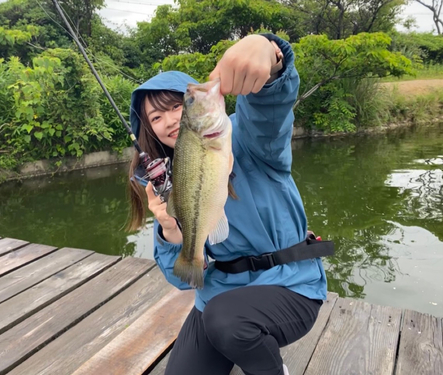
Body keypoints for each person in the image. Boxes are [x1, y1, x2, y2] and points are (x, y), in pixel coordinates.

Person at [127, 33, 331, 375]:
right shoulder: (166, 179)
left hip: (290, 284)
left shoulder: (245, 137)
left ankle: (269, 365)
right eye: (156, 118)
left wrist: (267, 50)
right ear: (148, 129)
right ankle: (246, 340)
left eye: (178, 106)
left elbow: (269, 111)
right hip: (220, 295)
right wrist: (169, 231)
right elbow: (184, 280)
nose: (170, 120)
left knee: (228, 323)